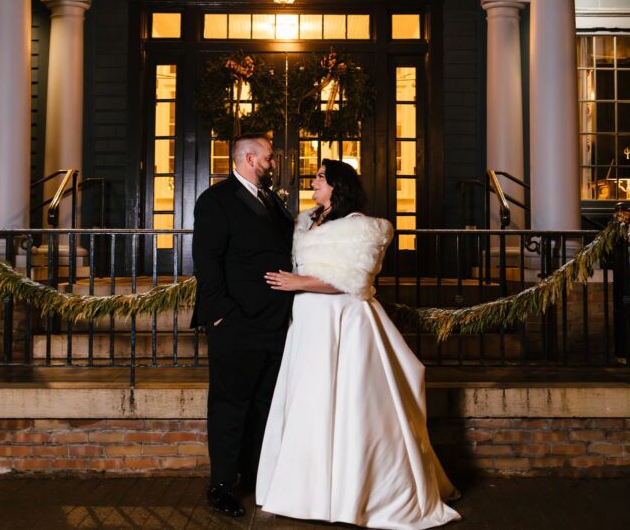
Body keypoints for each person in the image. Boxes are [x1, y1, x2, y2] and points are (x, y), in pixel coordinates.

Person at [256, 159, 461, 530]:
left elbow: (354, 280)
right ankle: (304, 491)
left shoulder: (364, 228)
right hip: (309, 324)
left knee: (350, 403)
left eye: (320, 177)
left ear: (338, 185)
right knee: (308, 400)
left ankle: (356, 494)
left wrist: (297, 283)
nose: (314, 181)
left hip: (344, 322)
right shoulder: (306, 221)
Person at [191, 133, 295, 518]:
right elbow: (207, 260)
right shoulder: (216, 200)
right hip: (236, 323)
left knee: (263, 405)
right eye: (268, 157)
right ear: (249, 158)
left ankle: (255, 477)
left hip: (274, 323)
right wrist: (221, 313)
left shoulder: (270, 200)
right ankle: (221, 485)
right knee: (230, 406)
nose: (273, 163)